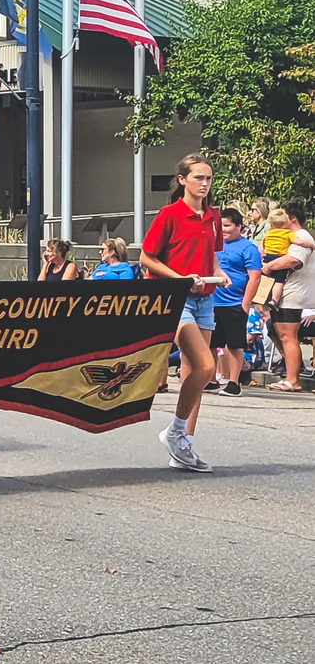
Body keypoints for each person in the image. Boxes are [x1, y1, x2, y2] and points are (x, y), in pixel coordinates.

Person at [140, 152, 225, 471]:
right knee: (206, 365)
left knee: (195, 373)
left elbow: (212, 254)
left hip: (206, 296)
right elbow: (146, 257)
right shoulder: (170, 214)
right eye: (198, 177)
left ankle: (184, 442)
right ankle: (175, 431)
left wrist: (220, 271)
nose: (204, 183)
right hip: (176, 298)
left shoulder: (213, 216)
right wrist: (180, 279)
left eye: (208, 178)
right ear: (183, 180)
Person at [260, 200, 314, 393]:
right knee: (278, 332)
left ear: (291, 218)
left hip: (294, 294)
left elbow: (294, 260)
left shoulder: (300, 236)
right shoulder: (284, 235)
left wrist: (269, 266)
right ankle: (291, 371)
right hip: (284, 293)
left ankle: (293, 379)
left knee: (287, 335)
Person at [209, 209, 261, 397]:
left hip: (234, 303)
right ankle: (212, 379)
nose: (224, 230)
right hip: (212, 301)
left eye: (228, 226)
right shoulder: (215, 245)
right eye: (221, 226)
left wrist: (245, 304)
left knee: (234, 344)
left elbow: (255, 277)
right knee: (211, 343)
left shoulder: (248, 248)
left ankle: (233, 382)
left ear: (239, 226)